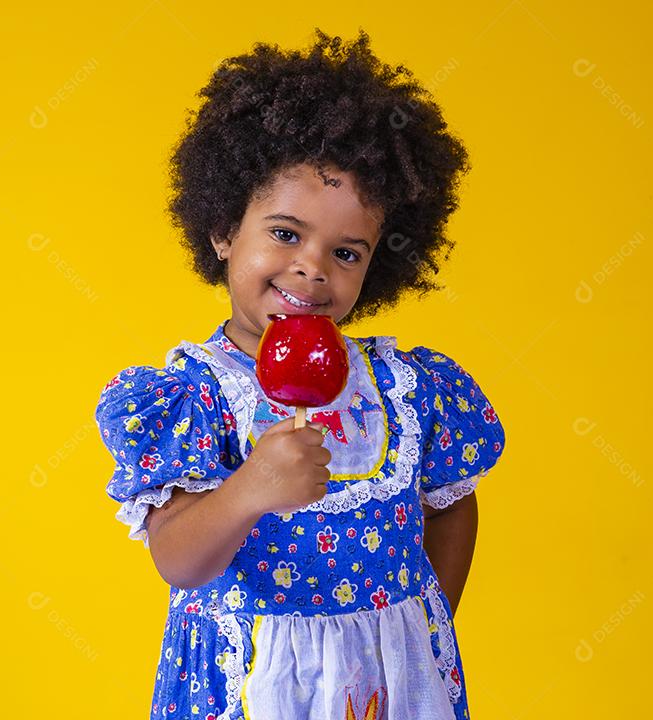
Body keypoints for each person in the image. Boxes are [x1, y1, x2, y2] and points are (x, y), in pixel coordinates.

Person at [93, 27, 506, 720]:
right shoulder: (192, 397)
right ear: (224, 229)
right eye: (285, 234)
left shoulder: (407, 387)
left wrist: (426, 623)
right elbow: (178, 560)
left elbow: (451, 501)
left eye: (346, 252)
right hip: (251, 678)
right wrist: (251, 487)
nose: (313, 267)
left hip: (392, 682)